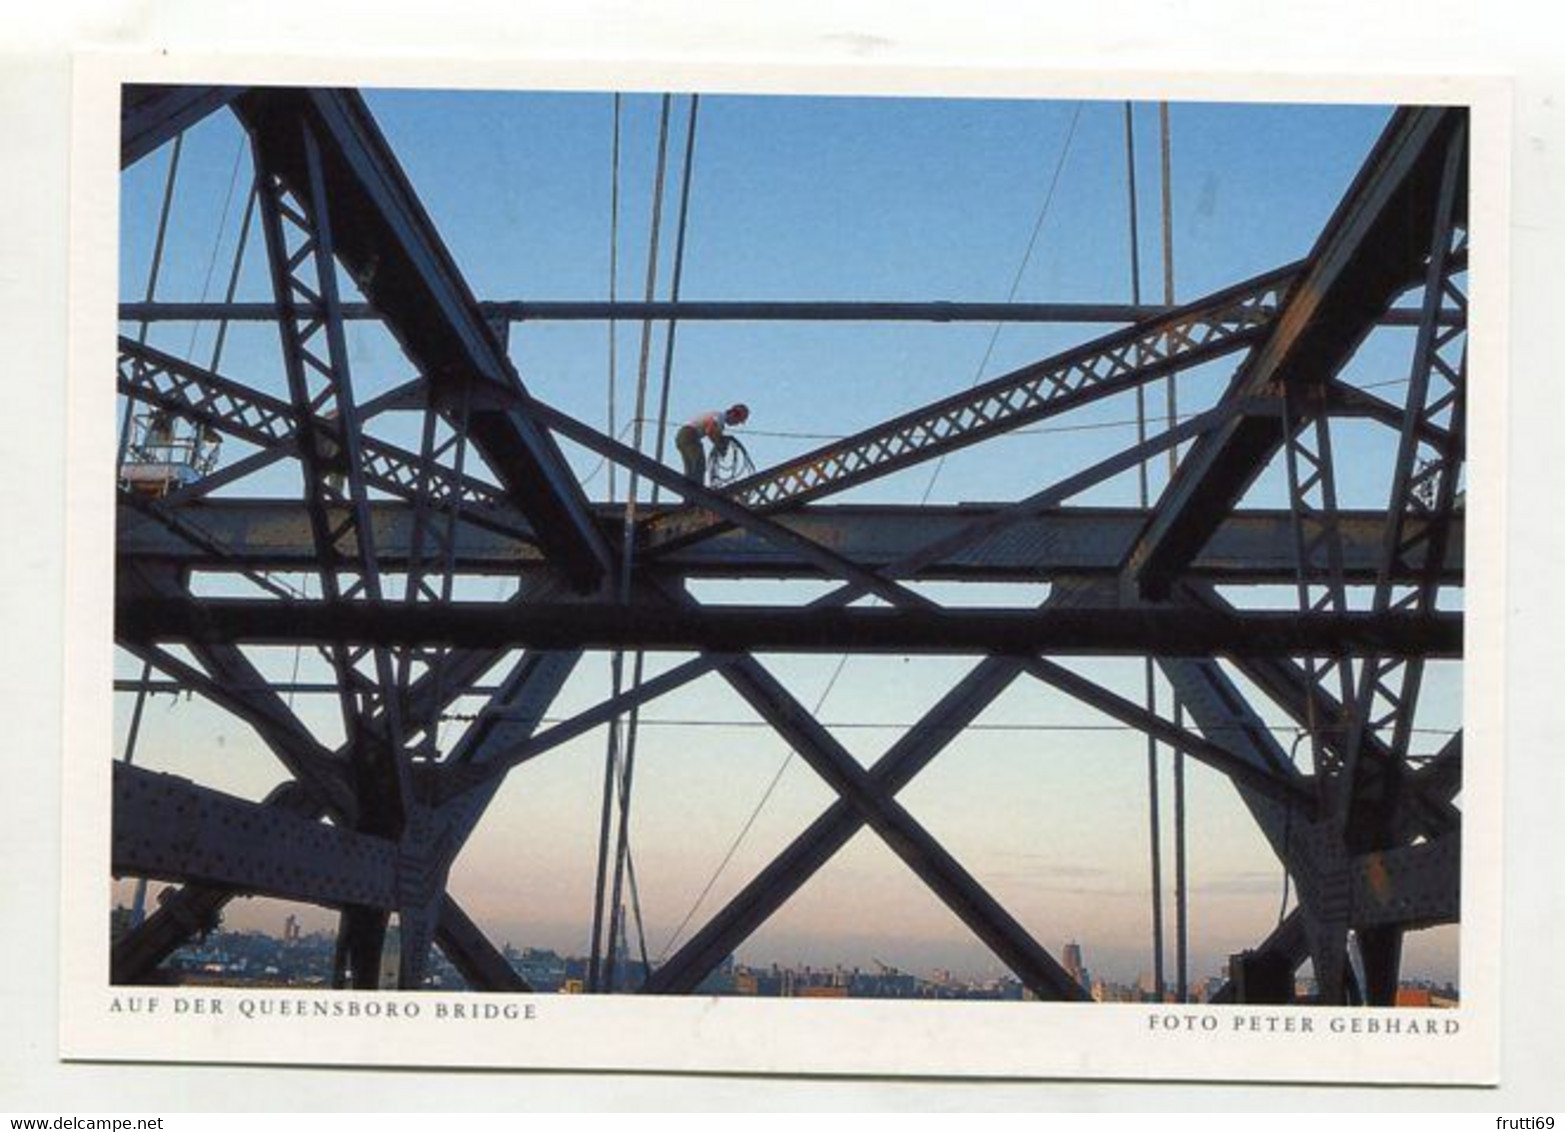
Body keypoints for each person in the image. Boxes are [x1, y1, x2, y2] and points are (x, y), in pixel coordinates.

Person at [675, 403, 749, 485]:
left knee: (691, 468)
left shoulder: (719, 421)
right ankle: (696, 490)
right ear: (733, 414)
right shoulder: (719, 417)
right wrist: (720, 445)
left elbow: (715, 433)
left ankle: (689, 490)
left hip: (683, 436)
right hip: (689, 435)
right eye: (738, 421)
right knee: (698, 464)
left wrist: (720, 442)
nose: (736, 424)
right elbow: (710, 431)